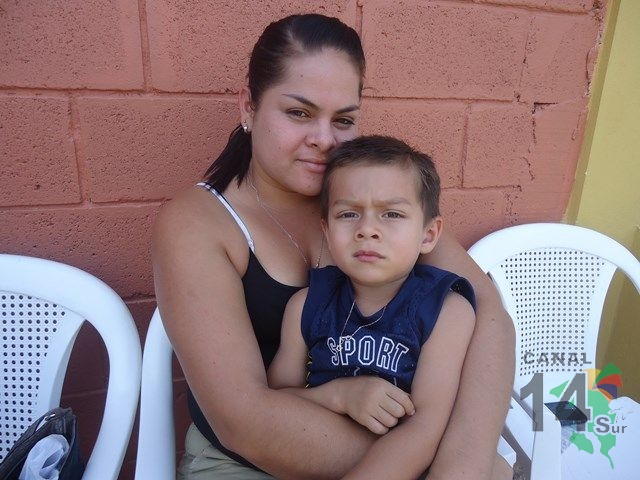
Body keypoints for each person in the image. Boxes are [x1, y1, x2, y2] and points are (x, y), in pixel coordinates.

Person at [152, 13, 515, 480]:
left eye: (343, 120)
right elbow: (245, 422)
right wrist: (420, 463)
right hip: (249, 463)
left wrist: (463, 463)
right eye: (298, 113)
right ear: (248, 107)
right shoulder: (198, 223)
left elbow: (490, 316)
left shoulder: (367, 200)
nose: (324, 140)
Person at [268, 135, 477, 479]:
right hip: (311, 456)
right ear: (327, 230)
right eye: (348, 214)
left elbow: (426, 427)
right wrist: (339, 396)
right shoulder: (306, 305)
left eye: (392, 214)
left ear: (428, 234)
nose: (367, 230)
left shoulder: (445, 311)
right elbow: (275, 402)